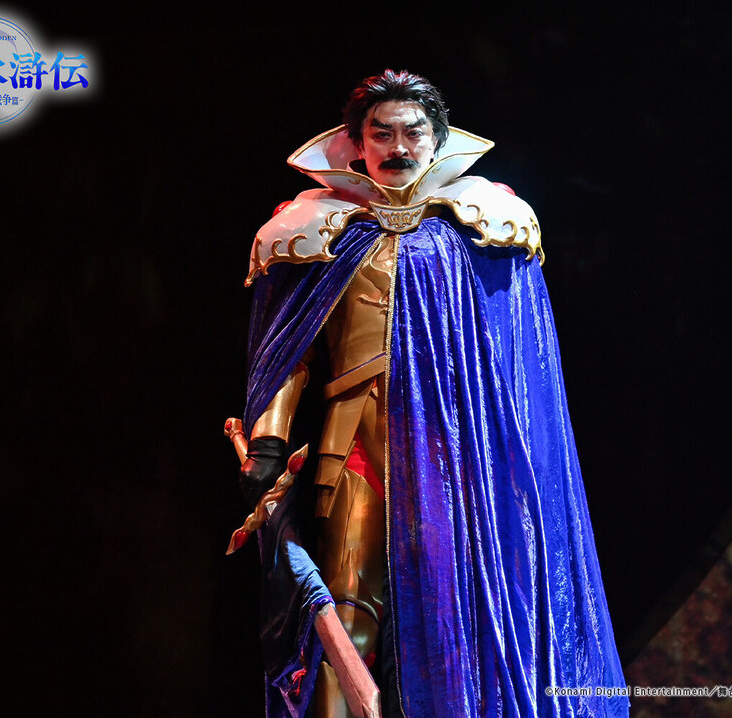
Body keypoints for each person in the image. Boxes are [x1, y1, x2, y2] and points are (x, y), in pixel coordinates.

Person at [237, 69, 628, 718]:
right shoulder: (322, 230)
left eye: (413, 132)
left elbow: (515, 360)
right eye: (381, 133)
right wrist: (269, 441)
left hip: (454, 449)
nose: (398, 147)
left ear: (437, 138)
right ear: (356, 143)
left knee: (455, 609)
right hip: (355, 443)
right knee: (345, 611)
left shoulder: (476, 226)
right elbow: (290, 348)